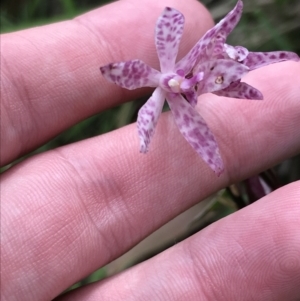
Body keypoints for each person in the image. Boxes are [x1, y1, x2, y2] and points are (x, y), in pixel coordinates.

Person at [1, 0, 299, 300]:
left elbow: (211, 78)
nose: (182, 82)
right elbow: (155, 126)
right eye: (183, 81)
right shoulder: (165, 98)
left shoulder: (192, 85)